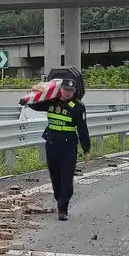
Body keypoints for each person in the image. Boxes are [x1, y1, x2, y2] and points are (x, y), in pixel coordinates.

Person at [27, 78, 91, 221]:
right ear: (60, 89)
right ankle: (59, 199)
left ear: (74, 91)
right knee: (55, 178)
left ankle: (63, 209)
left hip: (69, 147)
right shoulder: (51, 101)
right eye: (65, 90)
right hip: (52, 145)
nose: (68, 93)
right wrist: (33, 92)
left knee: (67, 180)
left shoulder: (77, 107)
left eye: (71, 90)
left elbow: (82, 129)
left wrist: (86, 150)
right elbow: (33, 104)